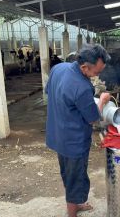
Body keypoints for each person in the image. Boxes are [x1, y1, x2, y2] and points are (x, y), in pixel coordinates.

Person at [45, 44, 111, 217]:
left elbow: (51, 92)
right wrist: (102, 100)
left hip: (58, 133)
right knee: (76, 176)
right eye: (96, 72)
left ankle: (76, 203)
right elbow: (93, 118)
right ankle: (72, 212)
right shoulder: (82, 87)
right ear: (84, 67)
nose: (98, 75)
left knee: (68, 172)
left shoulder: (58, 68)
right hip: (74, 140)